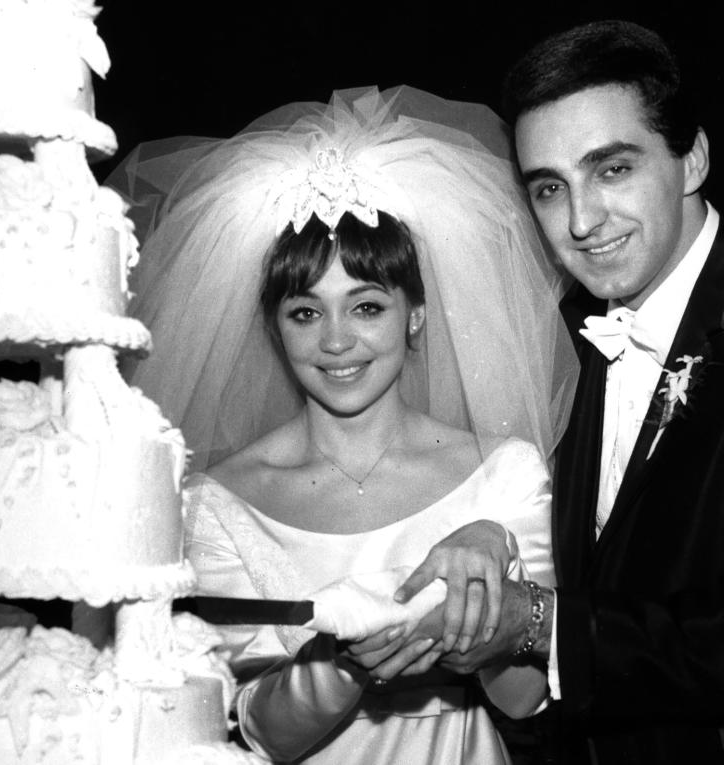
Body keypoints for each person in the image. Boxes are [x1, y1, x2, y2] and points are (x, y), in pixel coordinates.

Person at [395, 19, 724, 763]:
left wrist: (537, 624)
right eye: (550, 188)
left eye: (612, 169)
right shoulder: (561, 340)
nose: (581, 222)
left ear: (692, 159)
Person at [110, 87, 578, 763]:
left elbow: (523, 698)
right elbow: (259, 730)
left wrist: (493, 582)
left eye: (365, 307)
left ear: (414, 314)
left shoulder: (503, 476)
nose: (336, 341)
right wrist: (346, 664)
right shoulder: (215, 503)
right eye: (306, 312)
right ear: (273, 326)